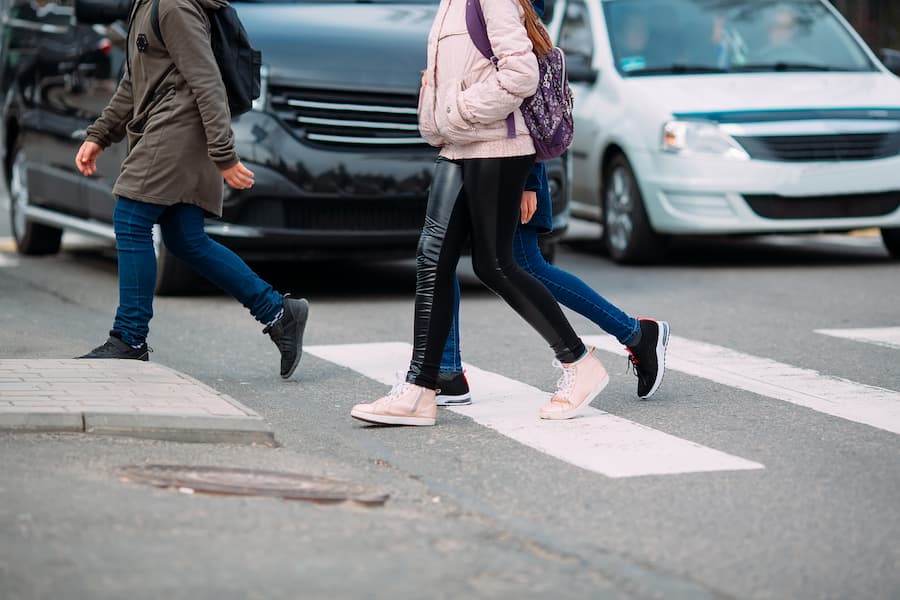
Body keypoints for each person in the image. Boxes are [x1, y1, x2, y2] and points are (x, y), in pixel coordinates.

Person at [351, 0, 609, 427]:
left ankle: (579, 364)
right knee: (432, 259)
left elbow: (521, 73)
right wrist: (440, 118)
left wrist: (460, 112)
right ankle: (419, 390)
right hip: (459, 144)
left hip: (497, 144)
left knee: (495, 264)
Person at [73, 0, 308, 379]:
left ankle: (129, 339)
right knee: (186, 239)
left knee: (131, 219)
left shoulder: (173, 6)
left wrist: (224, 156)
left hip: (177, 132)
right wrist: (100, 134)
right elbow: (135, 81)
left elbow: (207, 81)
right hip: (165, 130)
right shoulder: (146, 5)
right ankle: (279, 313)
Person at [435, 160, 669, 406]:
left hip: (508, 170)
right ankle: (447, 370)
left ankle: (634, 333)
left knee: (527, 266)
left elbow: (528, 122)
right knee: (441, 259)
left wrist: (529, 182)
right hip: (471, 167)